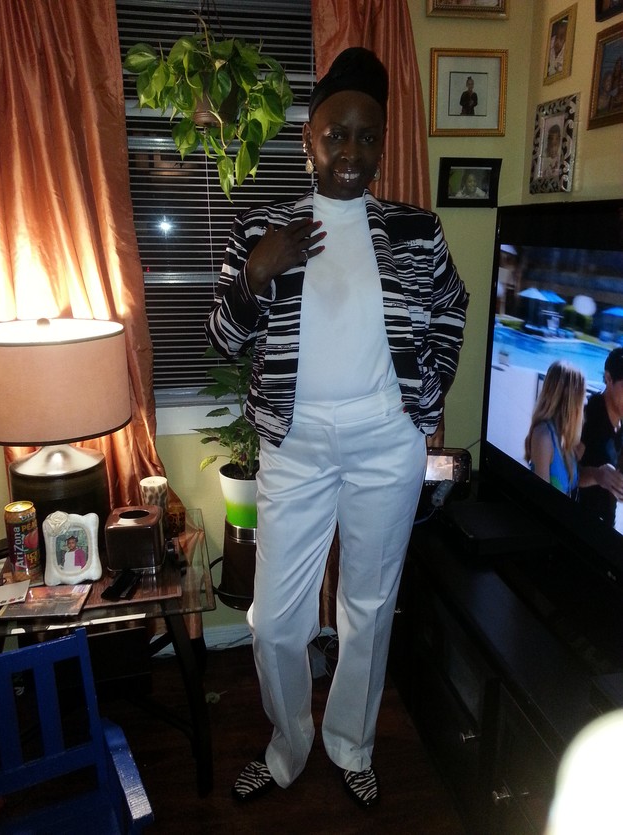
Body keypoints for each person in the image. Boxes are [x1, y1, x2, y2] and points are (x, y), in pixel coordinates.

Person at [205, 47, 468, 808]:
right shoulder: (263, 228)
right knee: (274, 621)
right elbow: (224, 340)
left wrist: (428, 396)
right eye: (336, 134)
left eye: (367, 136)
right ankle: (287, 744)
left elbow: (451, 307)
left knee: (369, 608)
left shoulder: (414, 229)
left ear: (382, 144)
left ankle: (351, 741)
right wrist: (257, 274)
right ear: (308, 140)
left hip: (387, 441)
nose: (351, 151)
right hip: (295, 444)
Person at [524, 360, 585, 498]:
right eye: (581, 397)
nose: (584, 402)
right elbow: (541, 498)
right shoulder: (544, 437)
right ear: (570, 400)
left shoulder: (563, 436)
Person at [578, 347, 623, 527]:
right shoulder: (588, 414)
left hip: (606, 524)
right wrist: (597, 475)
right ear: (608, 378)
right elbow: (566, 473)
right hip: (578, 521)